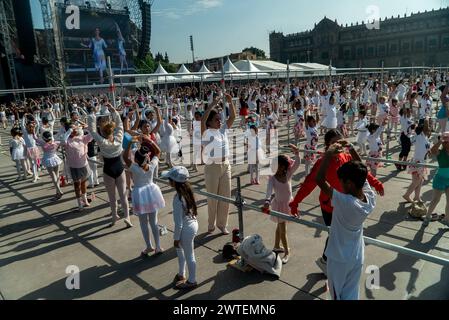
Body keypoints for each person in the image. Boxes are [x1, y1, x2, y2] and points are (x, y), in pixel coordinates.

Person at [289, 129, 384, 276]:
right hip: (330, 206)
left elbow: (361, 172)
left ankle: (327, 260)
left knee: (337, 235)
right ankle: (327, 261)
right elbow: (309, 183)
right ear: (327, 145)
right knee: (334, 234)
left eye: (340, 142)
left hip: (347, 205)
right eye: (334, 143)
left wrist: (375, 182)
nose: (338, 146)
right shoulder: (322, 162)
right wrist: (296, 202)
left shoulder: (346, 156)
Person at [315, 147, 376, 300]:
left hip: (339, 258)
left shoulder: (345, 202)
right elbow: (362, 171)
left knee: (337, 295)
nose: (340, 186)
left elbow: (319, 180)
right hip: (356, 256)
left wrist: (328, 154)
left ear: (349, 183)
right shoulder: (370, 198)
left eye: (341, 182)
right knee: (351, 293)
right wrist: (352, 149)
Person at [87, 102, 133, 228]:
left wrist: (92, 114)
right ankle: (127, 217)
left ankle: (114, 216)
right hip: (119, 169)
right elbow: (120, 126)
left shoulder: (102, 142)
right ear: (112, 130)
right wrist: (113, 111)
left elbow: (91, 130)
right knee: (123, 195)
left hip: (108, 170)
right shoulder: (118, 139)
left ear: (102, 131)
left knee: (112, 197)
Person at [123, 138, 165, 256]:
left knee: (143, 223)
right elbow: (158, 152)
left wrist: (130, 143)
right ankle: (158, 246)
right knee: (154, 221)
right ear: (147, 156)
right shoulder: (151, 165)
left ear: (136, 159)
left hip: (140, 194)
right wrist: (150, 141)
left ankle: (149, 246)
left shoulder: (135, 168)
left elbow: (125, 157)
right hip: (152, 192)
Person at [201, 93, 236, 235]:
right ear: (210, 122)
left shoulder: (222, 130)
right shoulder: (206, 132)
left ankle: (222, 224)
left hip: (225, 165)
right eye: (216, 120)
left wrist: (230, 101)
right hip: (212, 167)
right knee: (212, 198)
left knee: (225, 196)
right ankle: (211, 224)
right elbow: (202, 120)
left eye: (219, 119)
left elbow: (233, 117)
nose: (219, 121)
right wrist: (213, 104)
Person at [161, 166, 199, 290]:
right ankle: (181, 273)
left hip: (186, 229)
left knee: (189, 254)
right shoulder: (187, 192)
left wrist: (176, 239)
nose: (168, 181)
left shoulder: (177, 199)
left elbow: (179, 223)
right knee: (182, 251)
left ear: (174, 182)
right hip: (193, 224)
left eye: (169, 179)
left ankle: (192, 280)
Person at [263, 144, 300, 264]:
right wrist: (267, 201)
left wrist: (297, 154)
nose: (278, 168)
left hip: (288, 204)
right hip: (278, 205)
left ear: (285, 167)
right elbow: (269, 190)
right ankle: (286, 251)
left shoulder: (288, 174)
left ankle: (277, 247)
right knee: (282, 229)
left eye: (280, 166)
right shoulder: (272, 178)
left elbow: (297, 164)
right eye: (276, 166)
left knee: (280, 226)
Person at [62, 124, 93, 211]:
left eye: (75, 128)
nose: (74, 130)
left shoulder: (82, 138)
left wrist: (87, 127)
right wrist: (69, 132)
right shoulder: (67, 140)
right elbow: (62, 141)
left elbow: (92, 135)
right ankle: (79, 204)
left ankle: (85, 200)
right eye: (72, 128)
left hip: (84, 164)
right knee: (77, 185)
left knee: (83, 184)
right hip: (74, 167)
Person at [402, 120, 431, 204]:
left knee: (420, 181)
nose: (429, 131)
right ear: (423, 131)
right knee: (416, 181)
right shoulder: (420, 136)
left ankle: (417, 197)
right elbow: (425, 126)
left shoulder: (425, 138)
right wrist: (426, 119)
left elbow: (426, 148)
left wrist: (429, 151)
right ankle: (407, 195)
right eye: (428, 130)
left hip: (422, 162)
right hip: (417, 162)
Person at [424, 132, 449, 227]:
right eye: (445, 142)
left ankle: (447, 220)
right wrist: (440, 141)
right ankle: (427, 217)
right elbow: (432, 150)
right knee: (435, 200)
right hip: (440, 179)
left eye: (447, 142)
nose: (445, 143)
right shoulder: (440, 151)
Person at [37, 131, 64, 200]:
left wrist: (34, 131)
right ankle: (57, 192)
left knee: (53, 176)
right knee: (57, 175)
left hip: (48, 159)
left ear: (44, 138)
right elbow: (63, 141)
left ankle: (59, 191)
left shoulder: (43, 143)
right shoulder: (55, 143)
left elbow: (35, 138)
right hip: (55, 158)